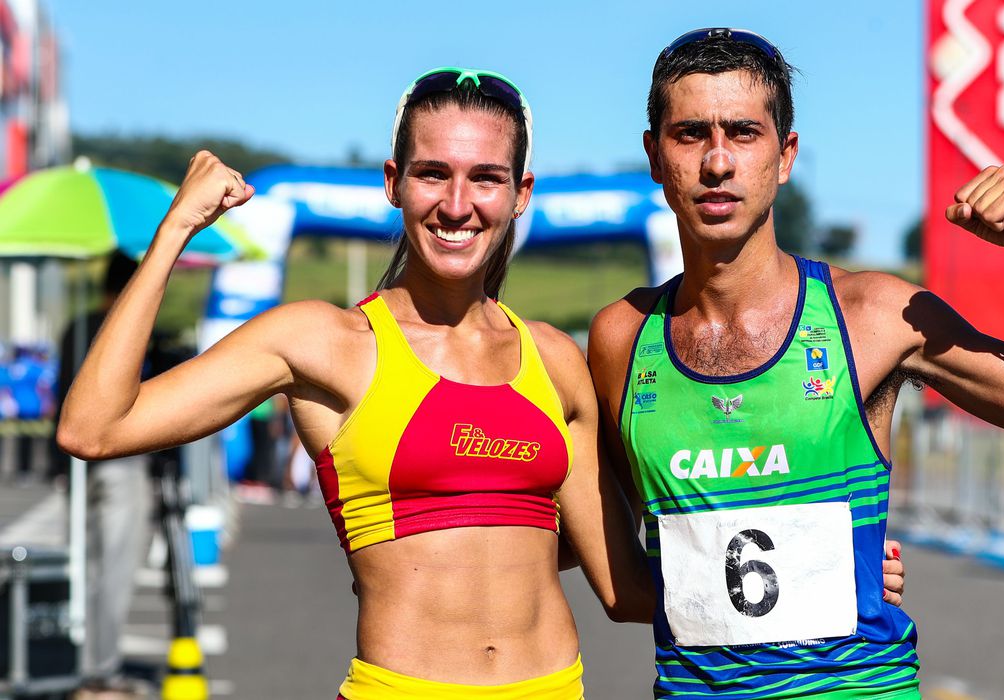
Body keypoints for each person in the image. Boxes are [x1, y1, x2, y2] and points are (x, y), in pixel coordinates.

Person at [58, 66, 908, 700]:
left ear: (519, 195)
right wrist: (173, 230)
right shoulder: (324, 342)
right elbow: (93, 428)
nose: (457, 203)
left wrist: (829, 570)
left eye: (485, 179)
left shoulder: (556, 360)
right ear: (394, 184)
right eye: (433, 174)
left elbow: (626, 586)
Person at [587, 28, 1004, 699]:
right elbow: (624, 584)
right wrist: (827, 571)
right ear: (654, 153)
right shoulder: (623, 337)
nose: (718, 161)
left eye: (744, 132)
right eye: (690, 133)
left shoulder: (874, 315)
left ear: (785, 155)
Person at [54, 251, 155, 697]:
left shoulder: (75, 328)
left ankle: (81, 658)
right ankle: (101, 668)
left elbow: (59, 397)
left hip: (76, 466)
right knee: (115, 566)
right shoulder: (127, 333)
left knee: (87, 563)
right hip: (121, 459)